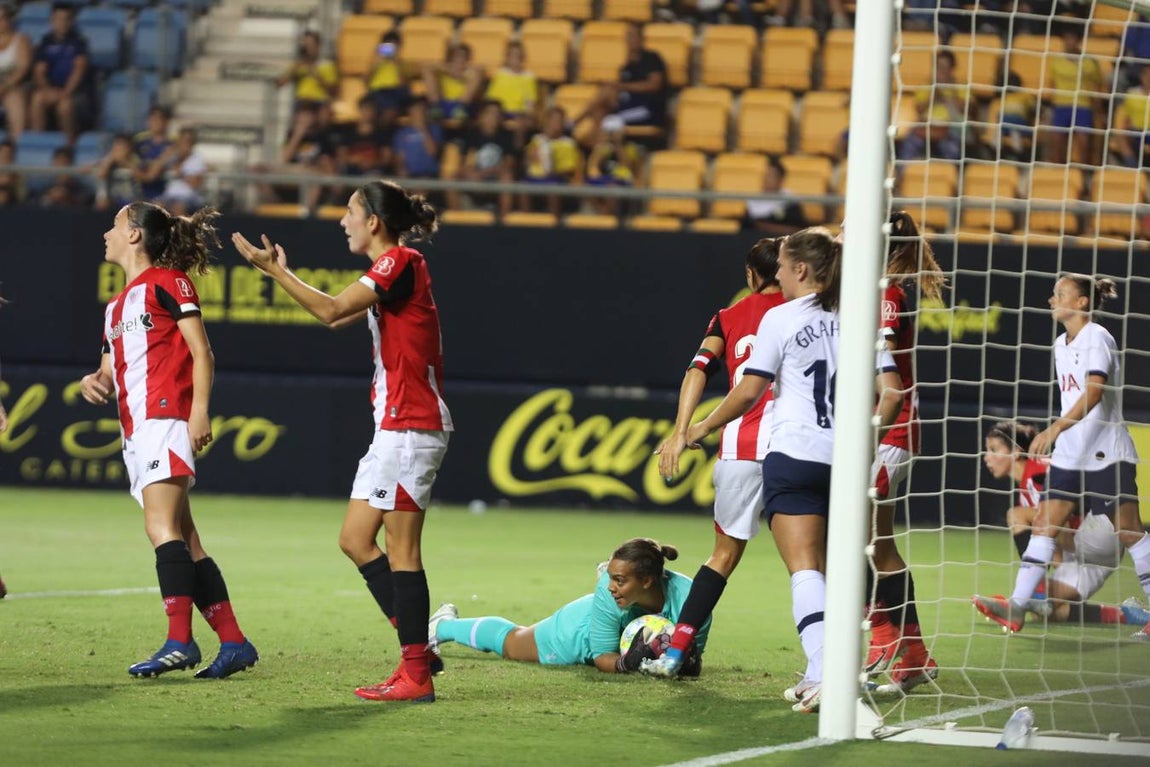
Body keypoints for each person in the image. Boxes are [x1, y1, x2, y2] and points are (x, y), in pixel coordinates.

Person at [644, 227, 904, 717]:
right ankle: (826, 672)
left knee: (804, 569)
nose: (778, 275)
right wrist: (865, 444)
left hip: (793, 455)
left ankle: (826, 672)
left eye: (784, 266)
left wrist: (696, 429)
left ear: (801, 270)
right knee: (839, 568)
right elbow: (892, 392)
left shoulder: (781, 318)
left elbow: (747, 391)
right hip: (846, 461)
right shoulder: (861, 318)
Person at [231, 180, 452, 702]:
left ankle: (415, 673)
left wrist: (276, 271)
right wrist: (280, 273)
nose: (342, 221)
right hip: (394, 427)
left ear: (373, 220)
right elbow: (339, 314)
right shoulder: (393, 270)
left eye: (349, 211)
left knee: (403, 551)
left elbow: (331, 311)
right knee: (355, 539)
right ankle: (417, 646)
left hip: (412, 424)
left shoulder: (399, 261)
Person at [78, 202, 258, 679]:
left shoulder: (169, 281)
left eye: (115, 225)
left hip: (166, 419)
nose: (107, 233)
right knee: (188, 542)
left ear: (135, 235)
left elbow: (203, 351)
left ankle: (180, 641)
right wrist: (93, 382)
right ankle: (235, 642)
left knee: (160, 530)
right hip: (136, 431)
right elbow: (107, 371)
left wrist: (198, 411)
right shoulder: (115, 307)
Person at [973, 274, 1150, 641]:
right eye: (1053, 295)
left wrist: (1054, 429)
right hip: (1071, 454)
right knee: (1043, 526)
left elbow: (1094, 392)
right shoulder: (1059, 344)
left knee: (1130, 531)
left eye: (1060, 294)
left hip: (1105, 452)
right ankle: (1018, 606)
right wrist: (1061, 436)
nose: (1052, 300)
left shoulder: (1097, 336)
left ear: (1083, 302)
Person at [653, 237, 784, 661]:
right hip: (793, 448)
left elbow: (698, 369)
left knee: (723, 555)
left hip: (739, 448)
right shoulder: (809, 309)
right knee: (812, 562)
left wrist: (681, 431)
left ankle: (676, 649)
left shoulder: (729, 316)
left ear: (750, 275)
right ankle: (840, 661)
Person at [861, 211, 945, 695]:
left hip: (889, 432)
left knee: (866, 541)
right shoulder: (880, 293)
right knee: (875, 541)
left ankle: (884, 641)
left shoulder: (888, 297)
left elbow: (887, 368)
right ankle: (910, 653)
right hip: (881, 430)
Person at [429, 538, 708, 674]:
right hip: (580, 630)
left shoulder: (692, 600)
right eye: (609, 577)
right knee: (514, 644)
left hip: (621, 623)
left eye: (619, 580)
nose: (610, 586)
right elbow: (602, 656)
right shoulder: (608, 595)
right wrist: (627, 663)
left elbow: (691, 660)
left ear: (647, 580)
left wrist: (673, 663)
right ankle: (442, 625)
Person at [982, 419, 1150, 629]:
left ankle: (1035, 592)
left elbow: (1060, 522)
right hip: (1088, 555)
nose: (986, 457)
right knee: (1045, 611)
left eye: (993, 449)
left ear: (1015, 451)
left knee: (1016, 516)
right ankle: (1127, 615)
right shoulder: (1027, 489)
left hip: (1095, 530)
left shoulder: (1039, 471)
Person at [1043, 20, 1103, 165]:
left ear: (1078, 40)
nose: (1069, 42)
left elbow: (1096, 87)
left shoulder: (1090, 62)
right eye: (1066, 38)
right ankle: (1059, 175)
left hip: (1083, 106)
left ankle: (1082, 179)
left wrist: (1098, 112)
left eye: (1072, 38)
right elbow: (1051, 85)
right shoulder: (1056, 61)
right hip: (1061, 105)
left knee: (1083, 146)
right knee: (1057, 146)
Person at [29, 2, 90, 143]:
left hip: (74, 93)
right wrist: (47, 89)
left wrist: (66, 92)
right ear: (52, 20)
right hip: (51, 90)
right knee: (37, 99)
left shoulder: (79, 42)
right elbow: (39, 71)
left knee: (65, 106)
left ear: (72, 21)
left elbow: (79, 69)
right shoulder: (46, 41)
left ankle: (69, 145)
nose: (62, 23)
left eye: (66, 19)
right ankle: (38, 143)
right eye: (59, 19)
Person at [520, 105, 582, 216]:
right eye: (553, 120)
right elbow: (527, 162)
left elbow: (569, 171)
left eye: (559, 120)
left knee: (553, 189)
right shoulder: (537, 139)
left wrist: (553, 166)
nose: (556, 123)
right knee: (523, 187)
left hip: (557, 179)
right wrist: (529, 158)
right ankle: (526, 222)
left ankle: (554, 224)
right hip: (535, 179)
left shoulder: (568, 143)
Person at [276, 30, 337, 114]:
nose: (308, 48)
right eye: (306, 45)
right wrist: (294, 70)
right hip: (302, 102)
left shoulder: (327, 65)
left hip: (320, 102)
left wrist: (317, 76)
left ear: (318, 46)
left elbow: (333, 92)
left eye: (311, 45)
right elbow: (280, 83)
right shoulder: (298, 65)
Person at [744, 157, 806, 235]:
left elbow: (796, 229)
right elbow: (745, 227)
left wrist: (763, 226)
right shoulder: (753, 200)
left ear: (780, 180)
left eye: (770, 175)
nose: (765, 179)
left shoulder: (790, 201)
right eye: (765, 175)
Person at [0, 2, 33, 141]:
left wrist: (5, 86)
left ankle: (16, 142)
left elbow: (23, 68)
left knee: (14, 98)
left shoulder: (21, 39)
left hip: (15, 84)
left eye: (3, 17)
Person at [365, 30, 409, 129]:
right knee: (369, 110)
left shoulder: (403, 64)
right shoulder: (374, 62)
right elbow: (366, 82)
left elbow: (404, 85)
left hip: (395, 93)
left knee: (390, 110)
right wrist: (375, 65)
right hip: (377, 93)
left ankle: (380, 134)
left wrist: (396, 64)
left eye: (395, 47)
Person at [1116, 64, 1150, 168]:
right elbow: (1122, 119)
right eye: (1147, 75)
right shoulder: (1131, 94)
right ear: (1141, 76)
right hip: (1136, 132)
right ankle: (1132, 165)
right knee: (1121, 135)